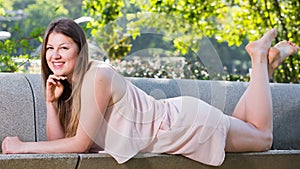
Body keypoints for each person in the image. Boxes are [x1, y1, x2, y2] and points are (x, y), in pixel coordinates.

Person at [1, 18, 299, 166]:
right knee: (245, 124)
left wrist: (20, 147)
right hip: (179, 120)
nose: (54, 54)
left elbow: (78, 144)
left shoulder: (98, 75)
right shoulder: (72, 87)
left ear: (80, 53)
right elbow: (60, 143)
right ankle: (265, 67)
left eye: (64, 47)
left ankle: (259, 57)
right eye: (50, 48)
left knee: (262, 137)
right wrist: (52, 104)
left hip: (183, 124)